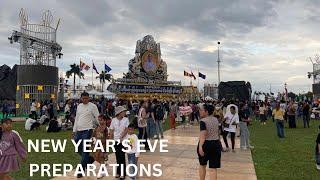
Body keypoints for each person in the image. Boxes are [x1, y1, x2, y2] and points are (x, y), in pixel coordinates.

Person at [72, 92, 99, 178]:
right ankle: (89, 159)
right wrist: (74, 130)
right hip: (79, 131)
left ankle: (81, 170)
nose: (85, 100)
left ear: (89, 98)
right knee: (78, 149)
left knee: (85, 151)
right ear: (81, 98)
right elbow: (77, 118)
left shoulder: (93, 106)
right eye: (83, 98)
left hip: (88, 131)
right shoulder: (79, 106)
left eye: (86, 98)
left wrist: (99, 127)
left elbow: (97, 117)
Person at [197, 104, 222, 180]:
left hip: (206, 144)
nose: (200, 112)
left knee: (202, 165)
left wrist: (200, 146)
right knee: (213, 168)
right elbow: (218, 132)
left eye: (201, 110)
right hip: (216, 144)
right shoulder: (215, 119)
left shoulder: (203, 121)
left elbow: (203, 134)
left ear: (206, 112)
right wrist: (220, 142)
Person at [109, 106, 129, 179]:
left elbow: (126, 129)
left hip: (123, 140)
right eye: (123, 111)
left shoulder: (126, 119)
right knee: (117, 157)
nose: (124, 113)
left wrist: (121, 137)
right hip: (116, 141)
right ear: (119, 113)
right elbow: (111, 129)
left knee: (122, 156)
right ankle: (118, 172)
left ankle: (123, 173)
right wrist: (110, 139)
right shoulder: (113, 120)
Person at [92, 115, 109, 179]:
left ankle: (102, 172)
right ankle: (103, 165)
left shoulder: (106, 129)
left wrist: (106, 151)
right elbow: (93, 135)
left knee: (101, 157)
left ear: (105, 120)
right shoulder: (97, 128)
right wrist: (93, 141)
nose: (100, 121)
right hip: (97, 145)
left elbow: (107, 139)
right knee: (96, 157)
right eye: (99, 120)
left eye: (101, 120)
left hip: (103, 145)